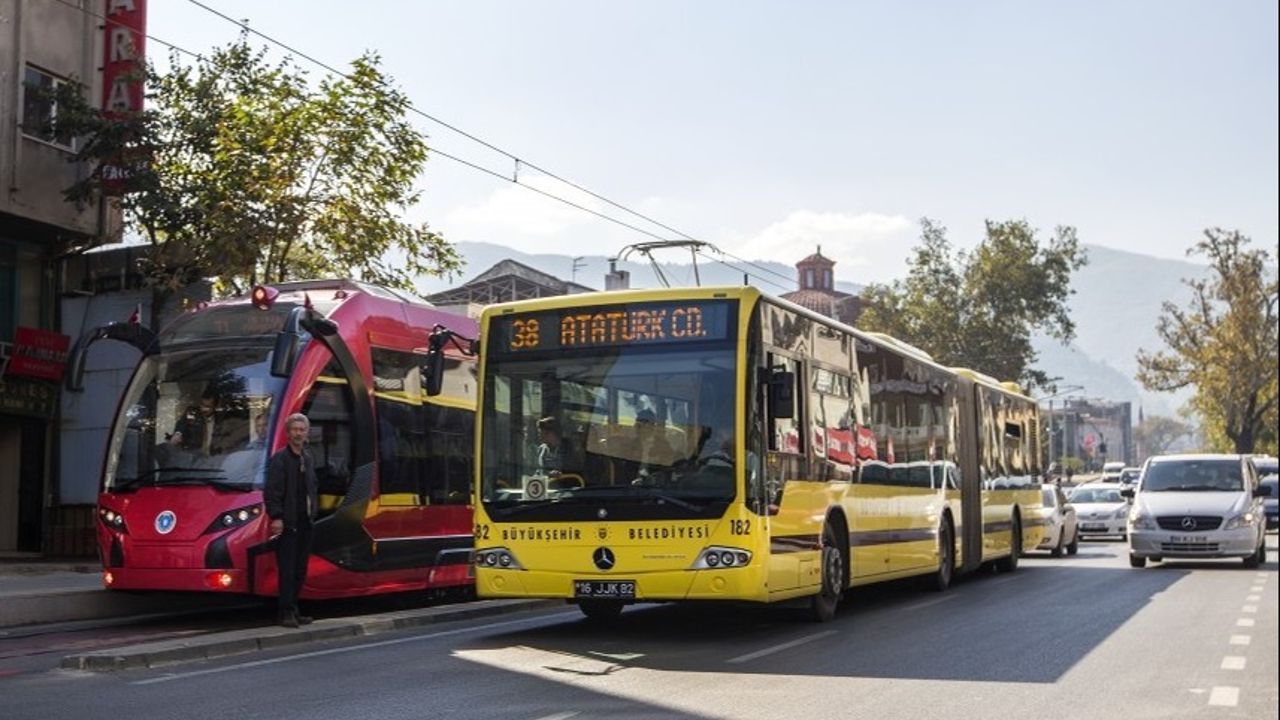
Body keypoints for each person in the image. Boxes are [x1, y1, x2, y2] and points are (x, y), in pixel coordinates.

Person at [264, 413, 319, 628]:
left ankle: (294, 610)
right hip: (288, 523)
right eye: (294, 429)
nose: (298, 433)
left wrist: (313, 513)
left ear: (306, 433)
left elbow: (312, 487)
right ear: (288, 434)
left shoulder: (308, 457)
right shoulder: (280, 459)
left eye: (301, 429)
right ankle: (285, 612)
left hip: (305, 522)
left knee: (300, 570)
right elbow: (273, 491)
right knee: (287, 570)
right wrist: (276, 517)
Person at [171, 389, 245, 456]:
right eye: (202, 405)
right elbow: (182, 423)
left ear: (216, 406)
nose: (203, 409)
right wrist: (178, 433)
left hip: (214, 458)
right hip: (193, 457)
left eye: (208, 407)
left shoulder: (222, 418)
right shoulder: (192, 412)